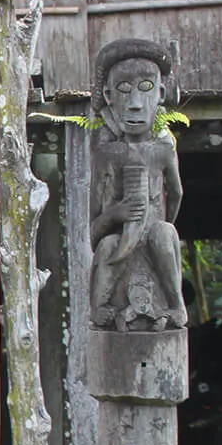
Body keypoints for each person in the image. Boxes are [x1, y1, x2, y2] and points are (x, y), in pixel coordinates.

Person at [88, 38, 185, 330]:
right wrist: (118, 214)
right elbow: (93, 230)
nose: (134, 104)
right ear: (108, 96)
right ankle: (99, 307)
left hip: (153, 242)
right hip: (121, 246)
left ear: (161, 93)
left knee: (164, 232)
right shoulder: (106, 154)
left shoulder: (163, 151)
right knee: (106, 245)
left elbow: (177, 193)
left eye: (145, 89)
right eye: (123, 90)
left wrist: (158, 223)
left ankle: (176, 305)